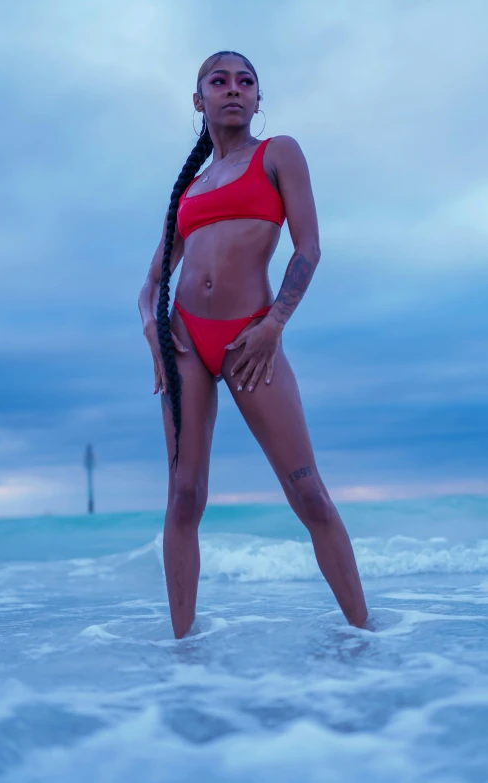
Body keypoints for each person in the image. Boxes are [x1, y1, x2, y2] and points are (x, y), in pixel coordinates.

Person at [138, 50, 368, 639]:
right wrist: (153, 326)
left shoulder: (278, 154)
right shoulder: (187, 189)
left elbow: (309, 247)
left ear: (258, 100)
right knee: (184, 496)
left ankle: (366, 637)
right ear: (199, 101)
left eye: (246, 82)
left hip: (251, 339)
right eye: (219, 81)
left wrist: (274, 325)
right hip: (186, 341)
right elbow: (152, 284)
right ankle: (182, 653)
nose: (233, 89)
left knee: (307, 491)